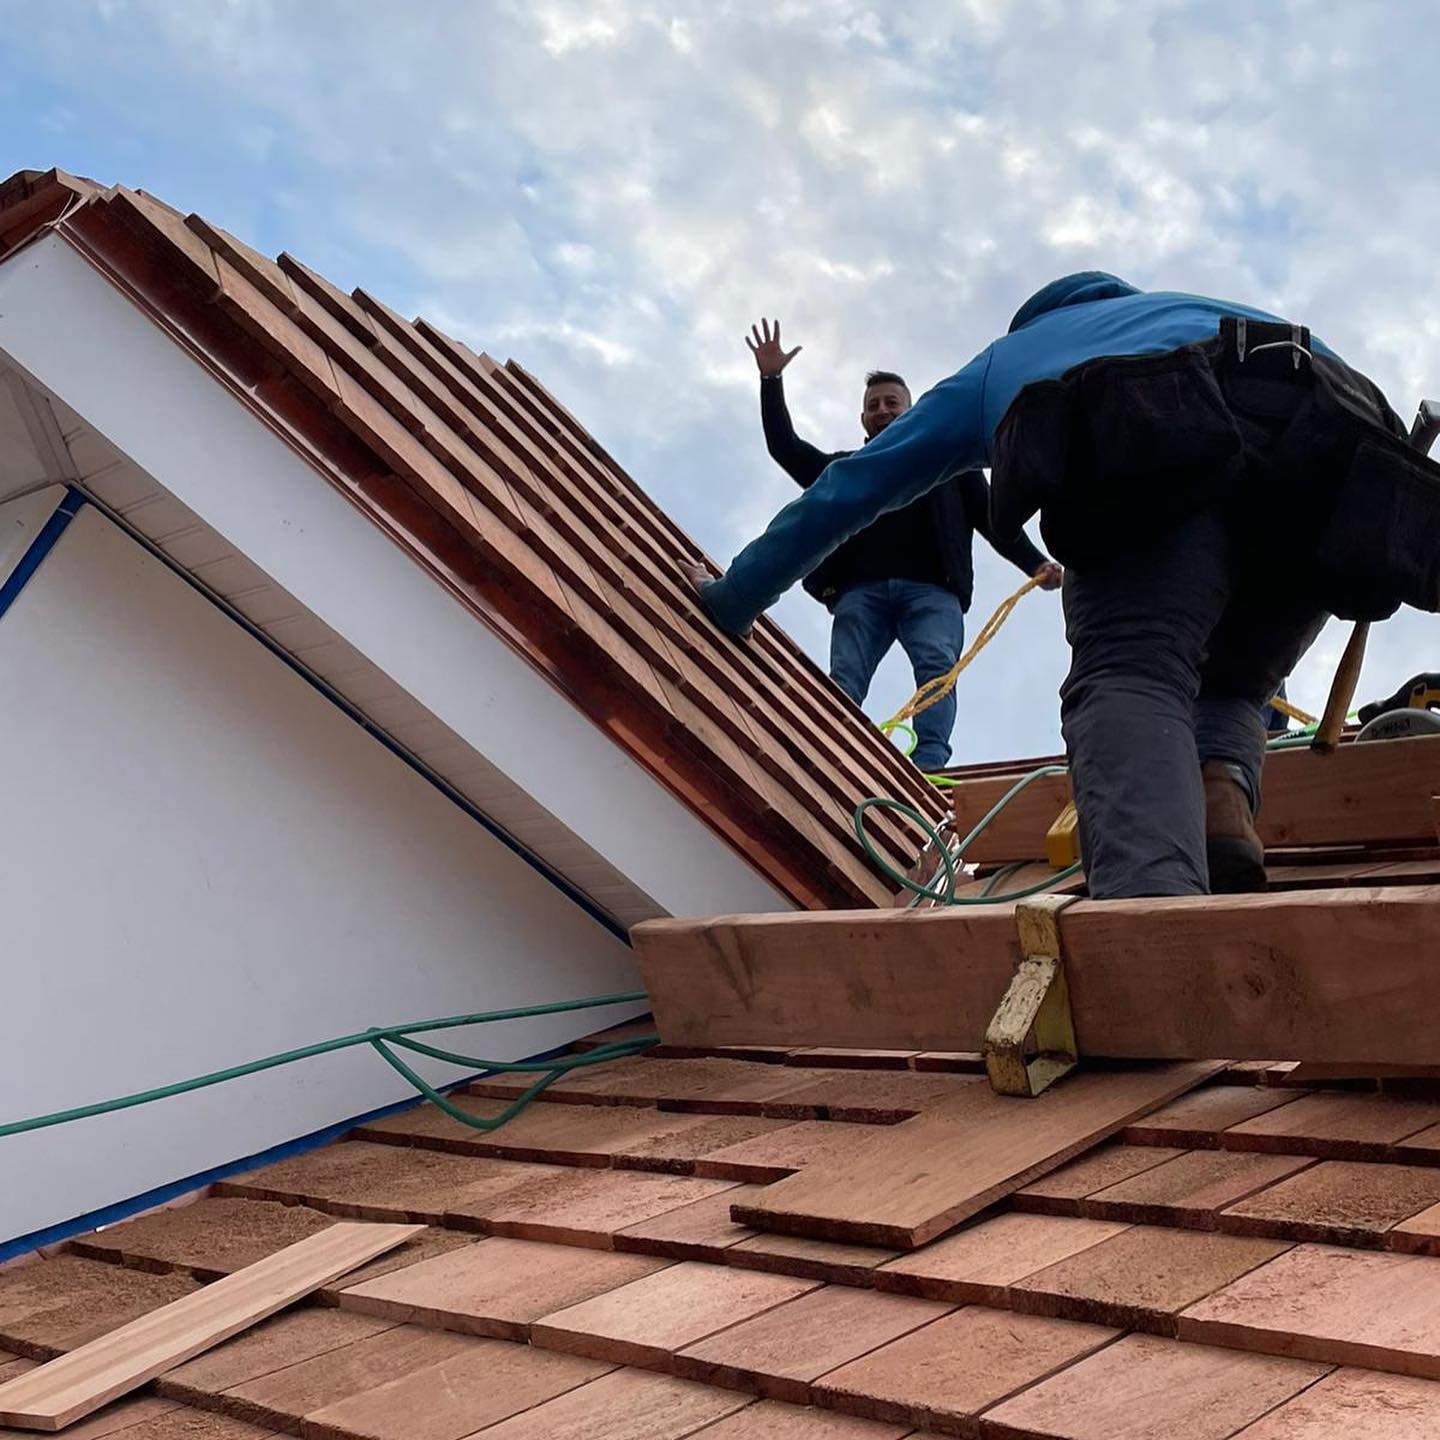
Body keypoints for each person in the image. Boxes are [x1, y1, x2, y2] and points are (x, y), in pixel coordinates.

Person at [685, 275, 1440, 899]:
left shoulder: (1008, 357)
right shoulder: (1183, 307)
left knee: (1135, 668)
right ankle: (1218, 807)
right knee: (1235, 684)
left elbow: (849, 490)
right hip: (1349, 455)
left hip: (1169, 429)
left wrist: (733, 598)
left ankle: (1161, 933)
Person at [742, 318, 1061, 772]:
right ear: (863, 419)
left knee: (936, 670)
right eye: (874, 405)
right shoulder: (846, 469)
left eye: (893, 403)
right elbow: (787, 448)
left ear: (910, 412)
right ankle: (828, 750)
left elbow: (994, 520)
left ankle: (929, 762)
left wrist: (1034, 564)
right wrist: (771, 380)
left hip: (933, 590)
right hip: (861, 592)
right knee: (844, 679)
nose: (883, 410)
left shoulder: (948, 467)